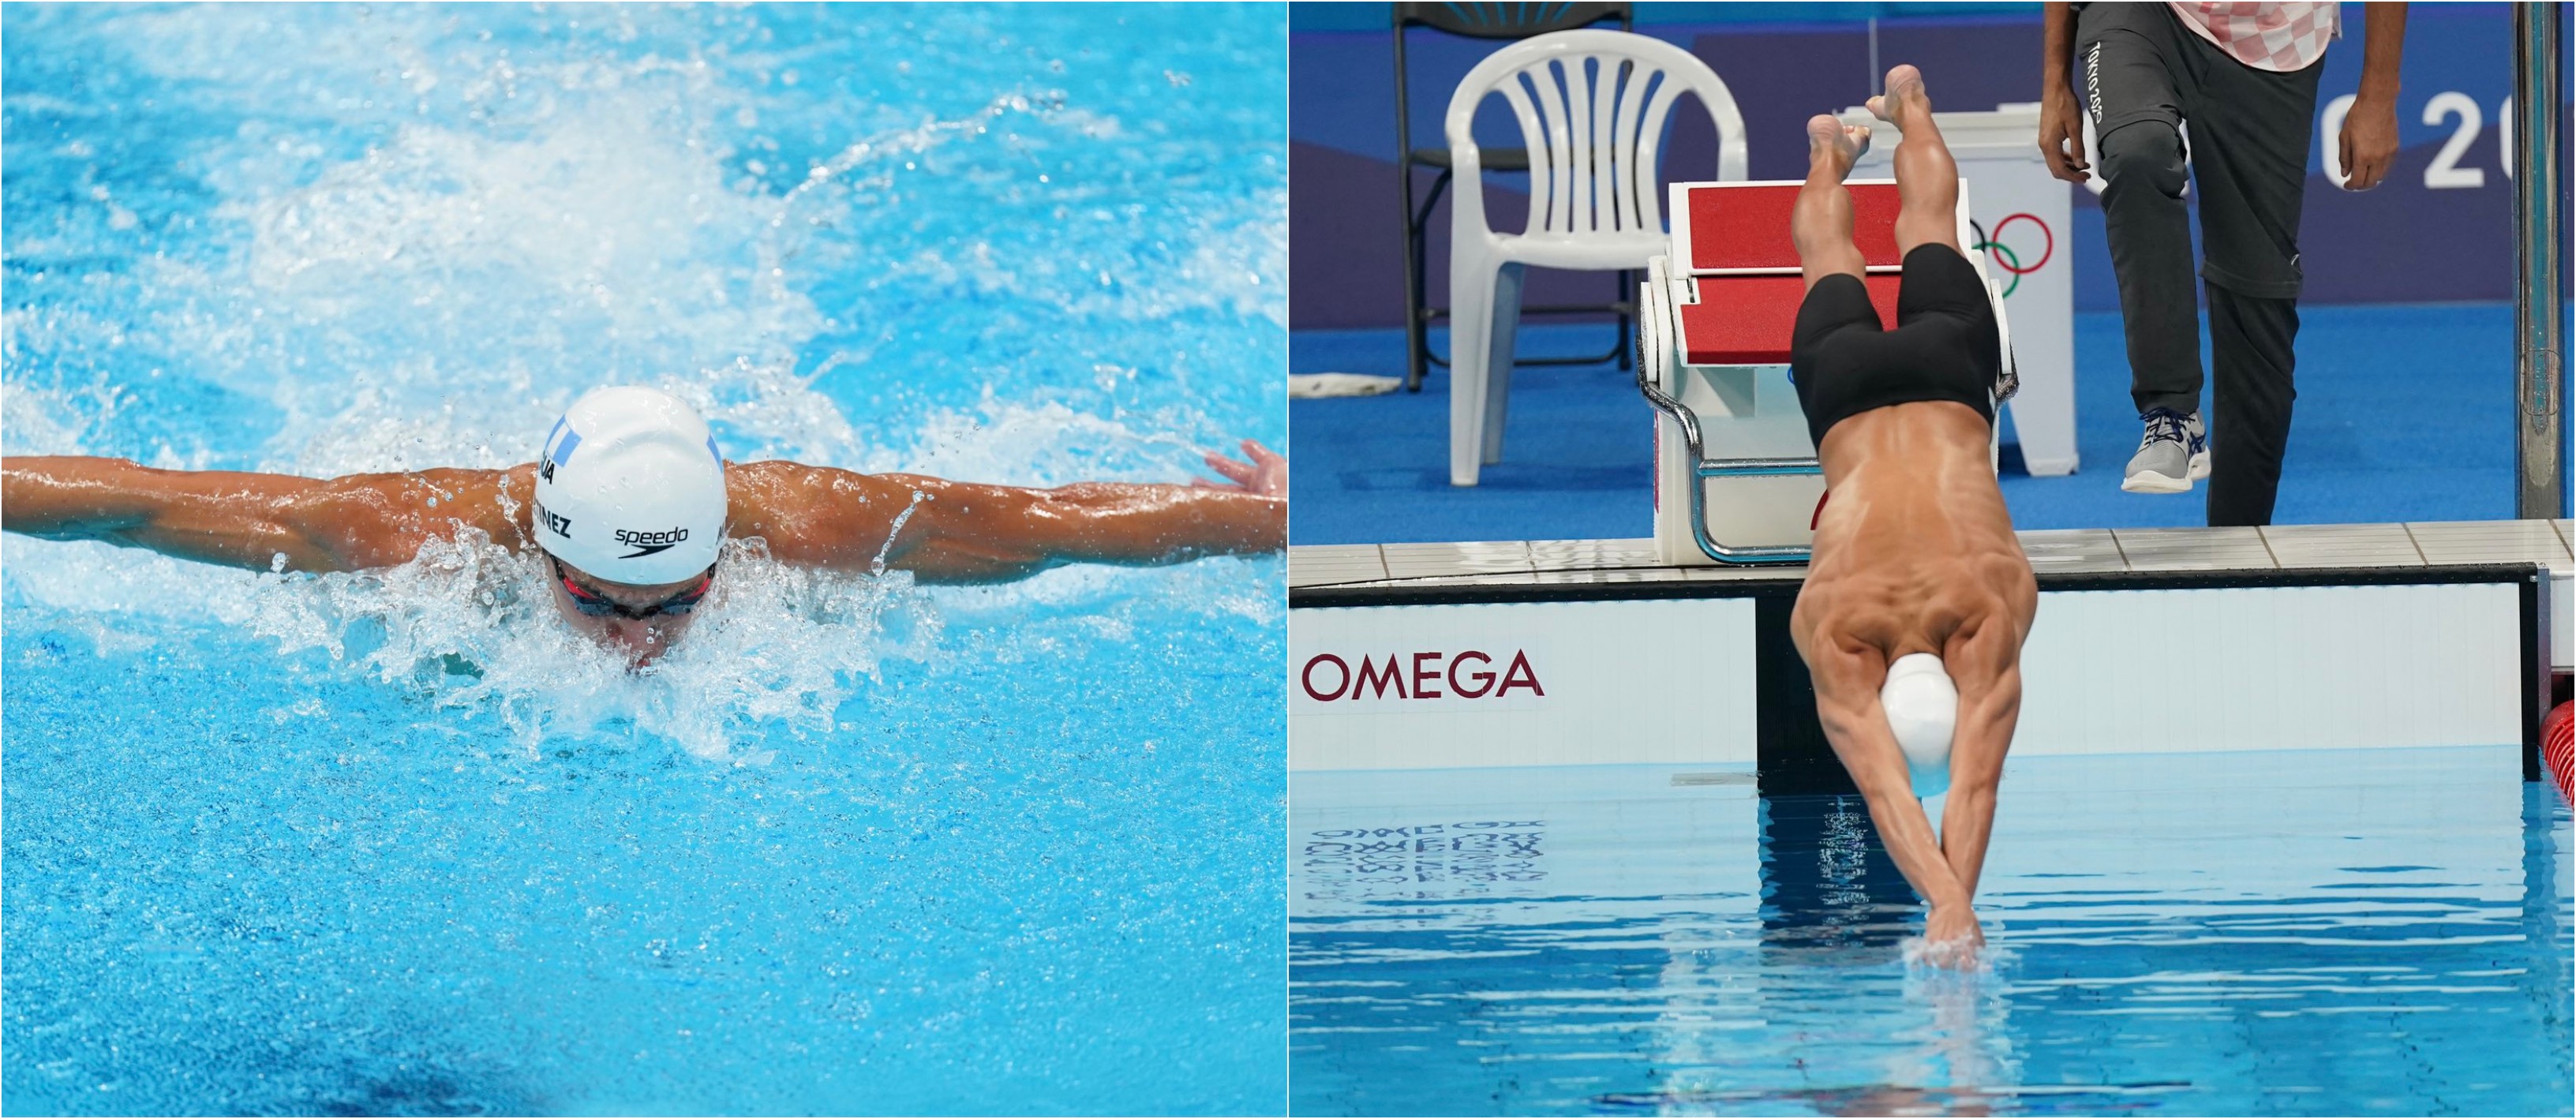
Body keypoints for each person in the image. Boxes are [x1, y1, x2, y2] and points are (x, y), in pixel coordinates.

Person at [2, 386, 1286, 665]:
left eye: (674, 601)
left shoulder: (815, 527)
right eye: (597, 603)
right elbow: (144, 498)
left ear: (723, 553)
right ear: (545, 556)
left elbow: (1047, 526)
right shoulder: (405, 536)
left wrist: (1261, 523)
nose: (634, 638)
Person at [1788, 65, 2039, 964]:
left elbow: (1953, 785)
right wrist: (1949, 906)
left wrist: (1950, 909)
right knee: (1833, 262)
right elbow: (1939, 785)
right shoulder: (1837, 623)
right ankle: (1840, 145)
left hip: (1945, 379)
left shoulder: (1985, 607)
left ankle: (1899, 113)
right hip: (1846, 398)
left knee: (1928, 230)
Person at [2039, 2, 2406, 522]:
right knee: (2138, 152)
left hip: (2275, 42)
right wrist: (2055, 81)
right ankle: (2171, 412)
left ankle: (2240, 552)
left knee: (2257, 303)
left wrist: (2379, 93)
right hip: (2142, 15)